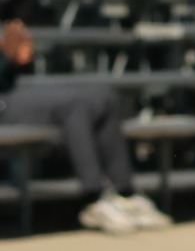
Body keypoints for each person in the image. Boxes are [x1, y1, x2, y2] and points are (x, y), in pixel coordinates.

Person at [0, 17, 168, 233]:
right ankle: (95, 198)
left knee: (102, 98)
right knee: (75, 106)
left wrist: (15, 54)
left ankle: (126, 194)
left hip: (12, 91)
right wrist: (6, 53)